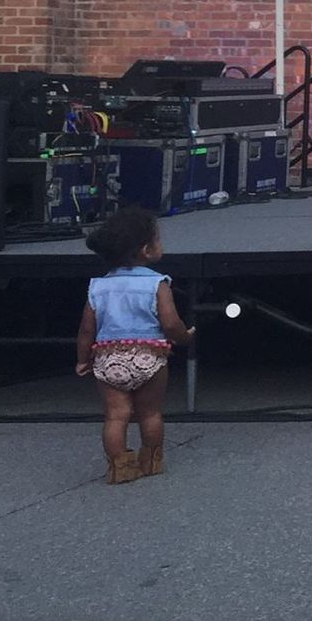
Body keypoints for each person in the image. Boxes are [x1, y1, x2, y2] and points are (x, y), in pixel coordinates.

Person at [75, 206, 194, 484]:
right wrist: (185, 337)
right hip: (148, 355)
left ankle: (120, 467)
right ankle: (151, 461)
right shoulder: (157, 283)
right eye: (157, 240)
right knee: (150, 412)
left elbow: (86, 329)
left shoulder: (98, 287)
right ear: (146, 250)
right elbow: (170, 323)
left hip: (108, 358)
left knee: (116, 416)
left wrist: (82, 359)